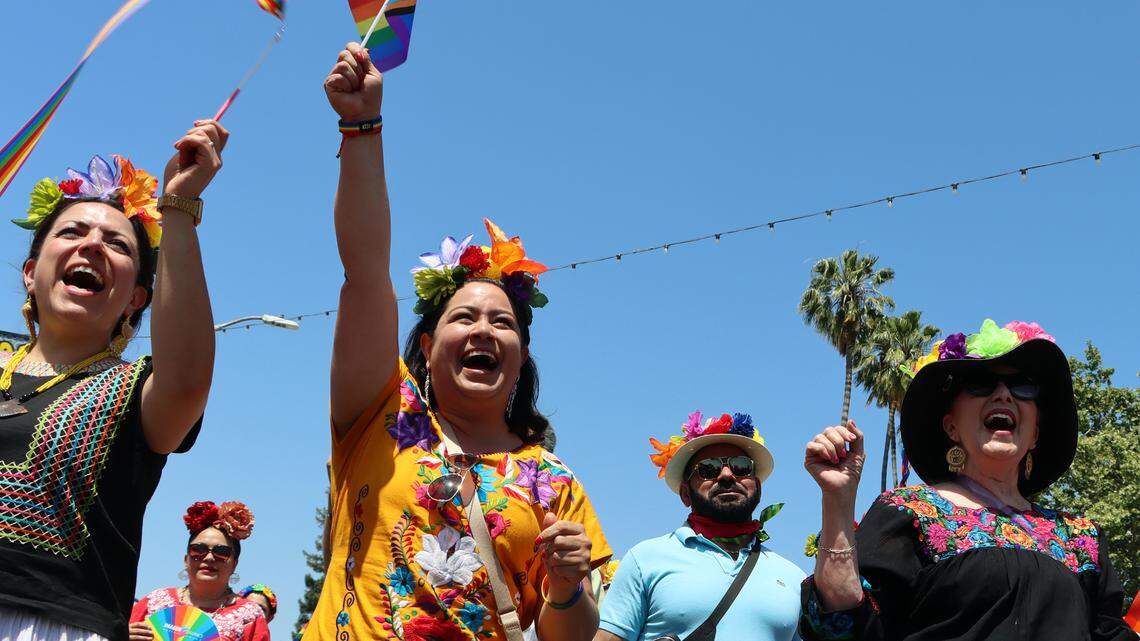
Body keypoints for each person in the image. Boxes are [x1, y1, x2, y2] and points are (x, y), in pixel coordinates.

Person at [302, 44, 612, 641]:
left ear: (521, 358)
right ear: (425, 344)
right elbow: (365, 272)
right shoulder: (381, 414)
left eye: (503, 324)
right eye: (463, 317)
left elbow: (569, 636)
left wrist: (568, 588)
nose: (483, 331)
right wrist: (362, 126)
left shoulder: (555, 482)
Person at [0, 122, 225, 641]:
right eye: (72, 233)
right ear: (31, 272)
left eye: (118, 244)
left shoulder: (136, 389)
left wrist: (178, 208)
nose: (93, 246)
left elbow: (188, 380)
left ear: (136, 300)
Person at [801, 319, 1134, 640]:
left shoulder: (1081, 538)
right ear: (951, 427)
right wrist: (838, 501)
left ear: (1035, 434)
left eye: (1022, 386)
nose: (1003, 394)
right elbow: (842, 624)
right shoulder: (909, 512)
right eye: (980, 382)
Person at [597, 410, 804, 641]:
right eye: (708, 469)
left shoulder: (793, 577)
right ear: (685, 494)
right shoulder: (644, 559)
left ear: (758, 487)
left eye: (741, 466)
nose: (727, 475)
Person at [129, 501, 269, 641]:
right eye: (198, 550)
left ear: (234, 564)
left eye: (221, 552)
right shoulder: (153, 601)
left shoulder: (250, 617)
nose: (209, 558)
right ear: (186, 559)